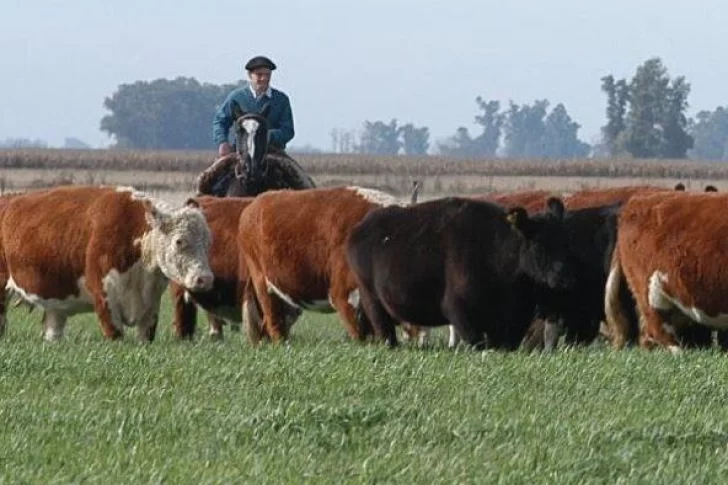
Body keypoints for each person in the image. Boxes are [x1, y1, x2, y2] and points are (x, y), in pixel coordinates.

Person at [212, 55, 295, 158]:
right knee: (213, 174)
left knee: (297, 173)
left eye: (267, 75)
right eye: (259, 74)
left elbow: (288, 130)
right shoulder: (236, 97)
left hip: (273, 153)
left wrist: (267, 136)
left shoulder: (281, 99)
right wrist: (222, 141)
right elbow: (220, 121)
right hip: (240, 152)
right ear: (250, 75)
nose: (264, 78)